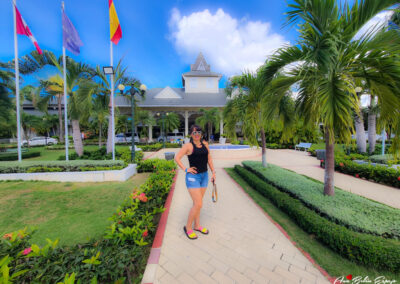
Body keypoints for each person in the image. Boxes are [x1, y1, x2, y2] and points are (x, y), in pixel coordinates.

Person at [175, 124, 216, 240]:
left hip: (204, 176)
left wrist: (213, 172)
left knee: (198, 203)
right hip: (193, 178)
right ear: (191, 135)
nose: (196, 134)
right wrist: (186, 169)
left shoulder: (205, 144)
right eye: (194, 132)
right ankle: (188, 228)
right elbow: (177, 158)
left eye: (198, 132)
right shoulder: (188, 146)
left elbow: (209, 159)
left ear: (201, 133)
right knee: (198, 204)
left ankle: (197, 225)